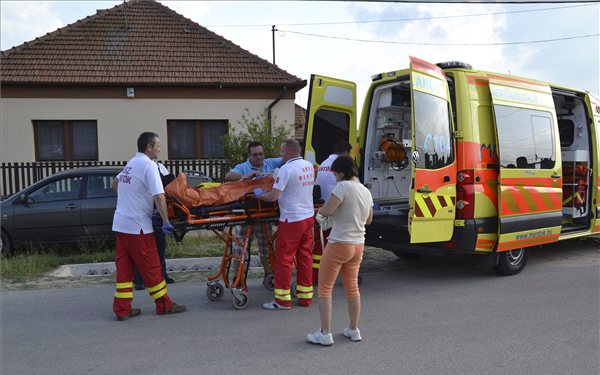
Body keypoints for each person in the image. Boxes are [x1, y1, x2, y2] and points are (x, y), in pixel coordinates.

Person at [111, 132, 186, 321]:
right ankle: (164, 304)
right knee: (152, 265)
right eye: (158, 145)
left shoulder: (131, 164)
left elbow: (114, 184)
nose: (160, 148)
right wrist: (167, 222)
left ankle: (122, 308)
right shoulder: (149, 166)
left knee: (125, 267)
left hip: (121, 224)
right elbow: (159, 196)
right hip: (139, 227)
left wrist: (130, 198)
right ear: (149, 147)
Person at [307, 156, 373, 346]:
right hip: (358, 244)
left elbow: (327, 211)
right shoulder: (365, 191)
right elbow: (368, 220)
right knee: (352, 287)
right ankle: (353, 329)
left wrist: (320, 212)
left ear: (342, 172)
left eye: (335, 174)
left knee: (325, 289)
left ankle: (325, 333)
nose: (335, 177)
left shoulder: (342, 187)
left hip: (339, 243)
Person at [254, 139, 315, 310]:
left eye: (281, 152)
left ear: (289, 153)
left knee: (285, 259)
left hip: (291, 220)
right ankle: (305, 297)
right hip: (308, 217)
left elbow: (273, 196)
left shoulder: (286, 169)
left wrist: (259, 195)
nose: (280, 155)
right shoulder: (308, 166)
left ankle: (282, 300)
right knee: (304, 256)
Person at [224, 141, 283, 287]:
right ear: (249, 156)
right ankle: (237, 278)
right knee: (240, 247)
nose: (258, 157)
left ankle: (269, 274)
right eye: (255, 155)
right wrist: (246, 175)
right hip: (247, 212)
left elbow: (288, 159)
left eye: (261, 154)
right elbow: (228, 176)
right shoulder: (243, 167)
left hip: (264, 212)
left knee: (266, 246)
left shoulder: (270, 163)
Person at [312, 139, 352, 284]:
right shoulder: (340, 166)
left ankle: (316, 275)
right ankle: (337, 274)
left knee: (320, 245)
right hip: (333, 210)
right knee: (338, 245)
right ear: (346, 152)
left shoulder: (323, 163)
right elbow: (346, 188)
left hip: (321, 208)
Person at [133, 161, 175, 290]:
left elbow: (168, 188)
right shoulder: (138, 167)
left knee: (159, 248)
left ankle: (162, 275)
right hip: (143, 214)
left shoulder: (159, 167)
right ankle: (139, 279)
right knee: (142, 250)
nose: (159, 149)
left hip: (157, 214)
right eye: (157, 146)